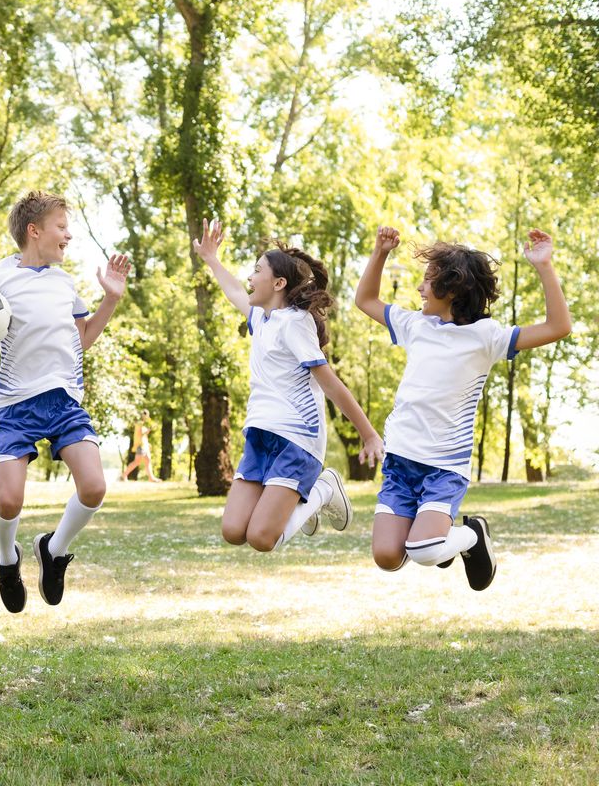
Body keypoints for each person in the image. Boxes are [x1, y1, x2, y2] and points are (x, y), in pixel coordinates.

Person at [0, 190, 131, 613]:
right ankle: (7, 560)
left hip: (64, 403)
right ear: (34, 231)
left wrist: (110, 298)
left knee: (94, 487)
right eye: (62, 227)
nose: (69, 236)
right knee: (8, 501)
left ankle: (53, 550)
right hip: (17, 406)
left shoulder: (64, 282)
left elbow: (83, 340)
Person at [355, 225, 571, 590]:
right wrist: (379, 254)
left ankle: (471, 535)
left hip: (444, 467)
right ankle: (439, 540)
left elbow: (558, 326)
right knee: (388, 557)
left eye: (428, 280)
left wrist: (544, 266)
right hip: (400, 462)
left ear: (452, 289)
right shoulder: (415, 325)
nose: (420, 288)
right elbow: (366, 300)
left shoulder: (486, 338)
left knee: (423, 551)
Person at [194, 219, 383, 553]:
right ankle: (297, 503)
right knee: (233, 530)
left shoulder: (296, 324)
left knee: (261, 539)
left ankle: (324, 489)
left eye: (256, 271)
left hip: (296, 440)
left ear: (278, 282)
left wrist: (368, 434)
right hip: (259, 435)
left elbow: (330, 383)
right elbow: (235, 291)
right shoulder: (261, 318)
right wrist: (211, 258)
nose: (249, 278)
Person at [120, 410, 161, 482]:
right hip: (140, 446)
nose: (147, 417)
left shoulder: (143, 424)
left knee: (148, 460)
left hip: (145, 446)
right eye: (147, 415)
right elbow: (139, 434)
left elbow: (143, 436)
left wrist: (147, 443)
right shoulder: (139, 423)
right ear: (144, 415)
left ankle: (151, 478)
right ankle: (124, 475)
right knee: (136, 462)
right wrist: (147, 431)